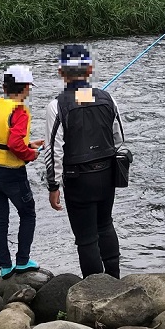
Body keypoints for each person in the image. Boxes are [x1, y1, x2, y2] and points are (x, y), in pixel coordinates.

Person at [44, 44, 124, 279]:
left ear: (61, 72)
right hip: (108, 176)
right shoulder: (108, 99)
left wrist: (53, 186)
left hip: (78, 181)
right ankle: (115, 279)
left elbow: (53, 151)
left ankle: (94, 288)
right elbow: (118, 138)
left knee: (86, 238)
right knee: (105, 225)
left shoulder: (56, 106)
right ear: (89, 70)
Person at [0, 64, 44, 279]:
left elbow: (5, 139)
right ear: (25, 88)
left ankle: (5, 267)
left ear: (4, 86)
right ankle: (23, 261)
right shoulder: (20, 110)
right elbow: (15, 145)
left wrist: (30, 144)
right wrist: (31, 154)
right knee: (28, 214)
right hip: (10, 174)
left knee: (0, 219)